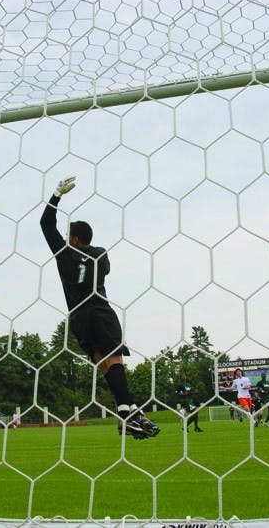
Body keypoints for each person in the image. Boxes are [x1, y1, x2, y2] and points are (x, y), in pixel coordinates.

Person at [40, 175, 159, 440]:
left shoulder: (64, 254)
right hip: (99, 309)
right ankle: (128, 413)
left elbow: (46, 224)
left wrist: (56, 194)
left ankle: (127, 411)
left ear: (74, 238)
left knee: (103, 362)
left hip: (78, 317)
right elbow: (104, 267)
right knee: (114, 359)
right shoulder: (100, 253)